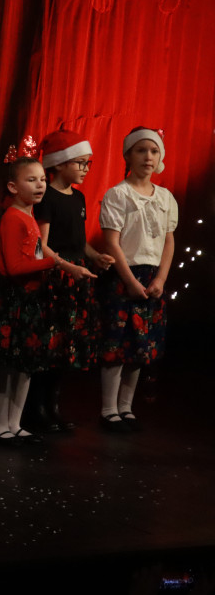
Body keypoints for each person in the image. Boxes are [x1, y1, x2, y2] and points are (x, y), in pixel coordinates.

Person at [27, 131, 113, 432]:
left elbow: (79, 241)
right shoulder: (46, 197)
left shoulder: (78, 197)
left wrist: (95, 256)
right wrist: (66, 267)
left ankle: (53, 407)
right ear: (60, 164)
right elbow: (42, 245)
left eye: (88, 164)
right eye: (81, 163)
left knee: (66, 347)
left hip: (76, 275)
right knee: (48, 346)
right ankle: (35, 409)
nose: (86, 169)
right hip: (56, 277)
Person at [97, 128, 177, 432]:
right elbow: (113, 243)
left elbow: (168, 242)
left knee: (140, 347)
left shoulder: (166, 197)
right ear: (128, 155)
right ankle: (108, 409)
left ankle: (126, 407)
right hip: (125, 275)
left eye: (154, 151)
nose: (148, 157)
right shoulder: (118, 194)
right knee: (117, 346)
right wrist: (129, 281)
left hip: (152, 277)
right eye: (141, 150)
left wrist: (161, 279)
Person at [0, 157, 57, 446]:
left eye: (42, 179)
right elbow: (15, 267)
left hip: (31, 299)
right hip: (15, 300)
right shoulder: (12, 217)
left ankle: (15, 423)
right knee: (8, 366)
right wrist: (51, 264)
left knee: (25, 365)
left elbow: (37, 255)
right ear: (13, 186)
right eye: (32, 179)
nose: (40, 184)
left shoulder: (29, 216)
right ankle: (0, 425)